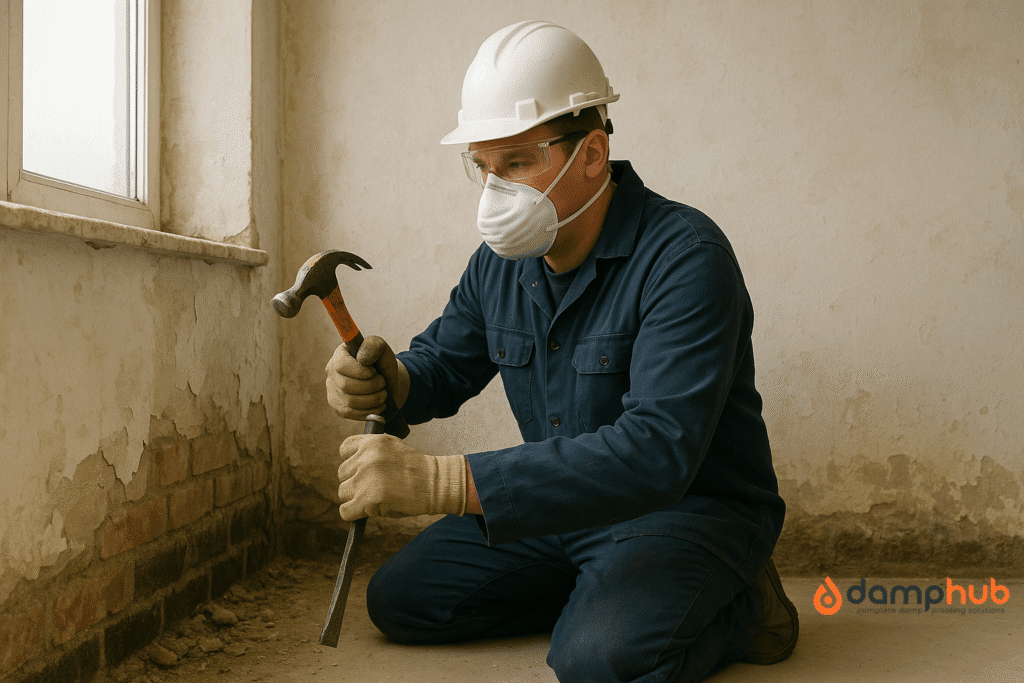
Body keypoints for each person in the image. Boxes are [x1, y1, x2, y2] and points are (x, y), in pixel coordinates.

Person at [325, 20, 798, 683]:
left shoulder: (685, 257)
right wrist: (388, 379)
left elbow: (657, 449)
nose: (496, 194)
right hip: (563, 510)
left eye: (517, 163)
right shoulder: (502, 264)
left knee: (597, 662)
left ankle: (742, 604)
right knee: (403, 598)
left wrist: (444, 482)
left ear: (592, 154)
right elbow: (445, 364)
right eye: (484, 168)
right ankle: (607, 589)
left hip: (687, 511)